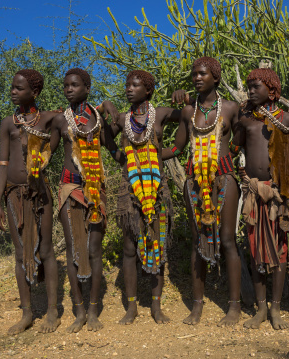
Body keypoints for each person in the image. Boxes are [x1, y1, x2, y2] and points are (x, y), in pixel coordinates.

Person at [163, 57, 241, 327]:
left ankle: (234, 306)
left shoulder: (231, 108)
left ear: (216, 78)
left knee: (228, 240)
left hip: (224, 178)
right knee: (198, 243)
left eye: (203, 74)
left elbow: (243, 139)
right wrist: (144, 153)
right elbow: (177, 148)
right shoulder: (187, 111)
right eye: (194, 74)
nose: (197, 78)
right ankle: (197, 306)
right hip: (194, 181)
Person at [50, 68, 122, 333]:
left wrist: (135, 162)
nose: (69, 89)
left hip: (96, 190)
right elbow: (48, 150)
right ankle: (78, 312)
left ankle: (93, 310)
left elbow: (112, 148)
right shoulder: (60, 119)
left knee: (93, 248)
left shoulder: (97, 119)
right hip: (70, 187)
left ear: (87, 88)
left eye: (75, 85)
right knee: (73, 250)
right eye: (65, 85)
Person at [108, 70, 181, 324]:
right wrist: (127, 162)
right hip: (129, 191)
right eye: (127, 84)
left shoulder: (159, 113)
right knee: (129, 249)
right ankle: (131, 308)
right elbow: (109, 143)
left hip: (157, 190)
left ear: (148, 90)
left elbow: (188, 120)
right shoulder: (123, 118)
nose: (129, 88)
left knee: (156, 245)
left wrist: (184, 99)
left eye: (135, 85)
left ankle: (156, 306)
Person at [0, 69, 60, 334]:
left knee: (45, 250)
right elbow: (3, 163)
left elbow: (77, 114)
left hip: (39, 193)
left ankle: (53, 311)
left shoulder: (49, 120)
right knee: (21, 254)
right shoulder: (8, 123)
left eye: (19, 88)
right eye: (12, 87)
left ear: (35, 92)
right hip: (13, 195)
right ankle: (27, 313)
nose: (13, 91)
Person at [230, 68, 289, 330]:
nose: (250, 91)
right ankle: (260, 309)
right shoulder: (246, 120)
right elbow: (234, 147)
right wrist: (239, 168)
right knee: (255, 249)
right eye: (248, 87)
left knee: (280, 249)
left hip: (277, 194)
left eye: (255, 86)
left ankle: (276, 308)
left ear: (271, 90)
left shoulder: (287, 119)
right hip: (253, 192)